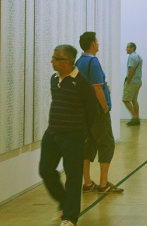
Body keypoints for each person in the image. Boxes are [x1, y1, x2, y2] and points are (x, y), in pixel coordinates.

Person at [39, 45, 99, 226]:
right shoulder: (54, 79)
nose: (52, 61)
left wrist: (84, 133)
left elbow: (92, 111)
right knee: (45, 170)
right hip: (52, 132)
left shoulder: (81, 82)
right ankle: (65, 203)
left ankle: (70, 217)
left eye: (56, 58)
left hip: (73, 135)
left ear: (67, 62)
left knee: (73, 176)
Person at [76, 32, 124, 194]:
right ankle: (104, 183)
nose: (98, 43)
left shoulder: (79, 61)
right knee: (106, 143)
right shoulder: (93, 61)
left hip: (84, 111)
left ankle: (87, 182)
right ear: (92, 44)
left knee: (87, 144)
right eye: (97, 41)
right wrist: (104, 107)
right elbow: (96, 87)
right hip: (97, 111)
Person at [123, 42, 142, 126]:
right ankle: (136, 118)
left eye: (128, 47)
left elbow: (131, 69)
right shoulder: (139, 57)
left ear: (132, 48)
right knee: (134, 100)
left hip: (132, 82)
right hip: (138, 81)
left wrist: (128, 81)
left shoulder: (131, 57)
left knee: (125, 99)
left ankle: (134, 117)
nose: (126, 49)